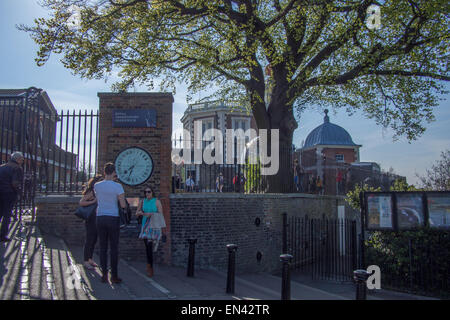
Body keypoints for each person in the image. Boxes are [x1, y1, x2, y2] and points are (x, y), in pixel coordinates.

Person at [94, 163, 126, 284]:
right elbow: (123, 205)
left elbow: (98, 200)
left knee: (102, 247)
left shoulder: (97, 186)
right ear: (114, 173)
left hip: (100, 217)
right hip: (113, 217)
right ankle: (114, 276)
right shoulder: (118, 186)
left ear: (104, 172)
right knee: (114, 248)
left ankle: (104, 275)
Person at [136, 186, 166, 277]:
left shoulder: (157, 201)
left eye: (149, 192)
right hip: (145, 226)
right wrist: (140, 213)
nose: (147, 194)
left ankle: (150, 266)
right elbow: (137, 213)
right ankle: (150, 267)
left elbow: (160, 214)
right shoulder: (142, 202)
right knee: (148, 247)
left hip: (154, 226)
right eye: (145, 192)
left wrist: (151, 214)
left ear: (152, 192)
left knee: (150, 247)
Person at [79, 174, 103, 270]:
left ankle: (90, 259)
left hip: (97, 217)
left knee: (94, 240)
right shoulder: (92, 191)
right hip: (91, 218)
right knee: (89, 240)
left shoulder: (99, 191)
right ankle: (85, 261)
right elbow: (81, 202)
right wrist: (93, 202)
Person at [0, 152, 24, 242]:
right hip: (9, 193)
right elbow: (15, 183)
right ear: (17, 159)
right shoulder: (17, 168)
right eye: (22, 159)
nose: (22, 161)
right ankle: (2, 235)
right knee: (7, 214)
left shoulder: (2, 167)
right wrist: (19, 192)